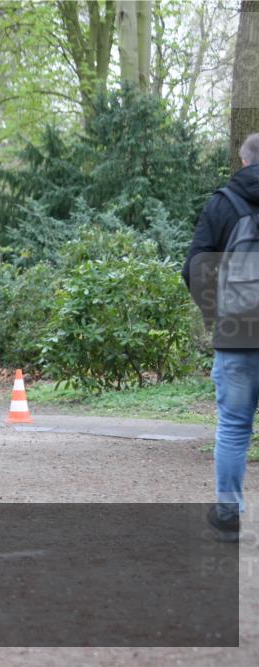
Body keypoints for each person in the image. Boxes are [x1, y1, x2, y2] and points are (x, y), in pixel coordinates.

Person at [183, 132, 259, 543]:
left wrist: (216, 313)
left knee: (233, 427)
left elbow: (194, 266)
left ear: (243, 161)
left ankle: (229, 515)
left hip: (237, 333)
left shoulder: (223, 203)